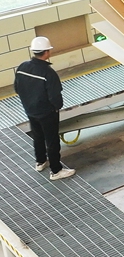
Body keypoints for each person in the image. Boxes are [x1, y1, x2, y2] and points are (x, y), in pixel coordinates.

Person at [14, 37, 71, 181]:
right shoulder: (48, 73)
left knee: (38, 136)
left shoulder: (22, 67)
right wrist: (57, 107)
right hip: (47, 113)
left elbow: (17, 88)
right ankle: (56, 171)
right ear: (47, 52)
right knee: (52, 141)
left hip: (30, 111)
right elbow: (55, 97)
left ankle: (40, 162)